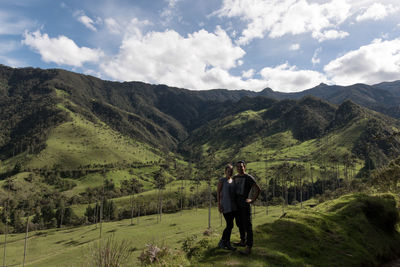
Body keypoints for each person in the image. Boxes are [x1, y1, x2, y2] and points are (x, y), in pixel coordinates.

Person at [233, 160, 261, 255]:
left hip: (245, 205)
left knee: (247, 225)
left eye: (241, 166)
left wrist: (252, 200)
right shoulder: (235, 177)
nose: (240, 168)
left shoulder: (249, 177)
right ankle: (242, 241)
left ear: (244, 167)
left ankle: (249, 246)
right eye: (238, 167)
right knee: (239, 223)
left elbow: (258, 189)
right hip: (237, 205)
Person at [216, 164, 237, 251]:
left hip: (233, 206)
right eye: (228, 171)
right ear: (225, 172)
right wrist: (219, 205)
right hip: (225, 205)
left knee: (230, 225)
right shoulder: (222, 180)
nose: (230, 172)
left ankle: (223, 242)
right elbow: (218, 192)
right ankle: (226, 243)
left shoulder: (233, 180)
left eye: (231, 171)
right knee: (230, 225)